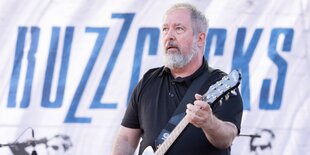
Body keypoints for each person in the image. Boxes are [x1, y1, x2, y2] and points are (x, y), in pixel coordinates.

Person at [112, 3, 243, 155]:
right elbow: (126, 138)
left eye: (179, 28)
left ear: (200, 39)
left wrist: (209, 122)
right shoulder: (149, 80)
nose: (169, 36)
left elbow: (226, 138)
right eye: (165, 29)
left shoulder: (220, 84)